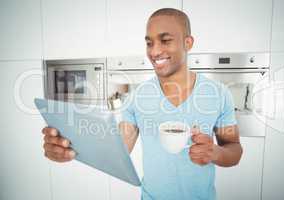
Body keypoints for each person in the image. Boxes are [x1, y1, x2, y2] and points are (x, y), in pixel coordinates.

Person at [42, 8, 243, 200]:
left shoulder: (218, 93)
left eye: (165, 40)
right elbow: (117, 152)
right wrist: (69, 149)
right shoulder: (137, 98)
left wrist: (215, 152)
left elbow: (234, 149)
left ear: (188, 43)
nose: (154, 51)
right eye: (149, 43)